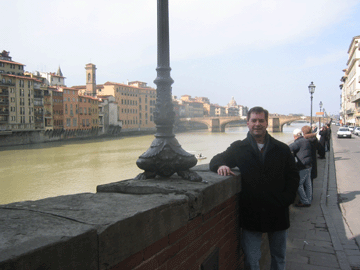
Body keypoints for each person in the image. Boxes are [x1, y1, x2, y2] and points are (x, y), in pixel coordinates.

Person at [209, 106, 299, 270]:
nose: (257, 124)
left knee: (279, 258)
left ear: (266, 122)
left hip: (278, 210)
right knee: (252, 260)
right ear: (248, 123)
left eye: (261, 120)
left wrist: (287, 199)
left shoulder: (282, 149)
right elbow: (216, 159)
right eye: (254, 120)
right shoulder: (239, 148)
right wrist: (221, 165)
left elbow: (293, 177)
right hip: (252, 213)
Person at [289, 129, 313, 207]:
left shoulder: (298, 142)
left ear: (295, 136)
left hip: (303, 165)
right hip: (309, 164)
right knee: (308, 184)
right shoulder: (306, 140)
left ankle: (305, 201)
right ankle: (309, 200)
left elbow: (288, 148)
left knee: (299, 184)